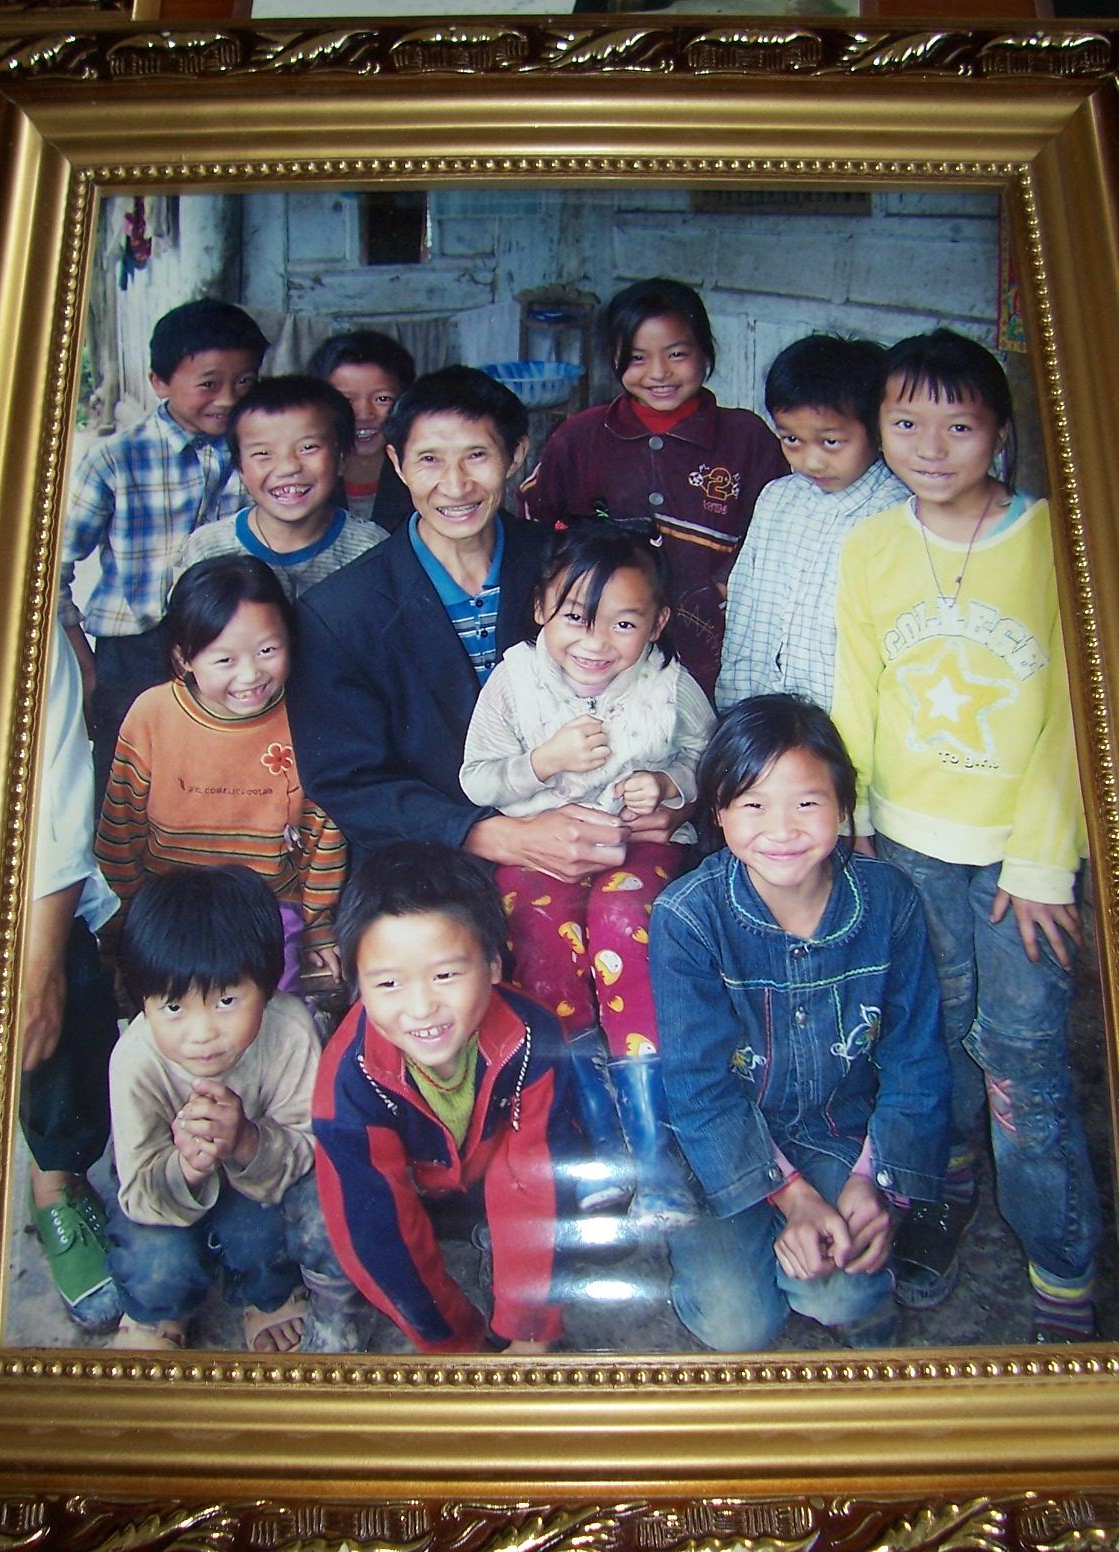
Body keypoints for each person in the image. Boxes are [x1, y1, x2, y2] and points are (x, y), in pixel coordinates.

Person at [831, 328, 1100, 1339]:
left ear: (1001, 432)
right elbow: (858, 687)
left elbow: (1078, 714)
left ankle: (1062, 1263)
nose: (931, 448)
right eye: (906, 424)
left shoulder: (1056, 540)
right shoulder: (872, 546)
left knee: (1023, 1061)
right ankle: (939, 1190)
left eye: (959, 425)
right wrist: (852, 819)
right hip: (905, 846)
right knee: (930, 1035)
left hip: (1021, 857)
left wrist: (1044, 862)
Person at [650, 695, 950, 1352]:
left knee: (842, 1288)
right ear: (718, 812)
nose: (781, 829)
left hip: (839, 1133)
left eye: (807, 803)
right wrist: (789, 1196)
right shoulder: (688, 917)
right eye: (753, 805)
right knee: (736, 1325)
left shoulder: (889, 901)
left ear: (843, 808)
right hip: (719, 1142)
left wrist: (877, 1183)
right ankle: (748, 1233)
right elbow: (699, 1089)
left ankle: (850, 1277)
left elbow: (917, 1058)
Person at [287, 364, 656, 887]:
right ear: (396, 463)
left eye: (477, 455)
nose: (455, 485)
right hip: (422, 869)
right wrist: (494, 836)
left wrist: (668, 798)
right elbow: (347, 781)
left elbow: (649, 685)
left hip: (593, 835)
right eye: (429, 459)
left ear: (516, 455)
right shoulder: (338, 613)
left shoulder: (573, 571)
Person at [460, 520, 714, 1225]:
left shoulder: (668, 685)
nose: (597, 643)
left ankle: (654, 1156)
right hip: (538, 851)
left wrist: (668, 785)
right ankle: (600, 1136)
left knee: (623, 924)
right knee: (541, 941)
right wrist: (543, 763)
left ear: (657, 624)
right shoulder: (515, 681)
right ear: (542, 606)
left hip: (639, 850)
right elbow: (477, 778)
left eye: (624, 624)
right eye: (577, 617)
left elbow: (706, 758)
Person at [312, 841, 576, 1354]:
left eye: (445, 975)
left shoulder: (532, 1038)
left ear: (494, 965)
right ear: (356, 982)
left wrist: (528, 1330)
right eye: (388, 983)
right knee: (347, 1228)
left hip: (494, 1183)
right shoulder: (349, 1077)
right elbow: (377, 1229)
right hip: (410, 1195)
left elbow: (535, 1184)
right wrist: (453, 1344)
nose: (420, 1008)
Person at [107, 866, 350, 1352]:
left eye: (227, 1000)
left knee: (265, 1231)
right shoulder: (135, 1061)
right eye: (173, 1008)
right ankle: (159, 1314)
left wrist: (246, 1141)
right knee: (154, 1262)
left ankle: (266, 1296)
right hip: (164, 1191)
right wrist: (188, 1167)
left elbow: (307, 1148)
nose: (201, 1034)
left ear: (267, 985)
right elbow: (138, 1186)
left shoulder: (290, 1031)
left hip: (258, 1185)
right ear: (143, 1003)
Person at [519, 278, 786, 696]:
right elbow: (536, 525)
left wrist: (724, 583)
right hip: (600, 658)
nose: (659, 373)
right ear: (614, 358)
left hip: (709, 655)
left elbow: (778, 533)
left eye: (677, 354)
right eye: (637, 357)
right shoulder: (581, 437)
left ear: (705, 351)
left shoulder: (746, 439)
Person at [96, 554, 346, 992]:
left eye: (267, 650)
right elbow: (120, 829)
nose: (250, 674)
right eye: (225, 659)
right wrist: (123, 926)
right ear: (183, 658)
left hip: (270, 909)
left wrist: (318, 922)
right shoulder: (152, 714)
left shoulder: (309, 715)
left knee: (268, 1008)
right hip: (170, 909)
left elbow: (325, 832)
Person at [58, 298, 269, 796]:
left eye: (245, 381)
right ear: (159, 382)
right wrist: (82, 660)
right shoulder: (115, 459)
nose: (228, 399)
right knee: (130, 770)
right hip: (135, 648)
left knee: (226, 767)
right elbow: (50, 568)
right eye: (209, 384)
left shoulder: (259, 451)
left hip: (232, 642)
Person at [716, 333, 908, 713]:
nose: (811, 461)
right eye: (791, 439)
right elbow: (746, 607)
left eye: (831, 442)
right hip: (759, 708)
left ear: (876, 431)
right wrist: (734, 703)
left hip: (842, 719)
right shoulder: (777, 499)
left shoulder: (895, 512)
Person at [21, 626, 122, 1332]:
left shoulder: (24, 636)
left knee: (63, 981)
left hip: (22, 877)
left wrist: (41, 973)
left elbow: (55, 803)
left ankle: (56, 1179)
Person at [177, 375, 385, 597]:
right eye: (263, 453)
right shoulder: (209, 547)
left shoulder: (372, 548)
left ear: (342, 458)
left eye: (308, 448)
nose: (288, 467)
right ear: (240, 468)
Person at [307, 329, 417, 530]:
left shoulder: (420, 476)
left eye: (382, 399)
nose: (364, 414)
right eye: (346, 400)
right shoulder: (304, 477)